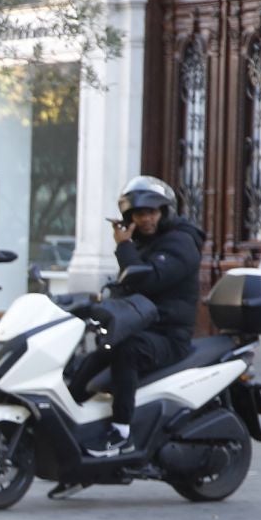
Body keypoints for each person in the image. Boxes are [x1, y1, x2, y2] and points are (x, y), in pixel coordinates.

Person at [72, 175, 203, 457]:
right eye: (138, 214)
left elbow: (147, 280)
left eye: (151, 212)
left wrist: (123, 246)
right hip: (145, 327)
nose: (145, 220)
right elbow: (128, 283)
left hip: (169, 335)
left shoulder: (181, 242)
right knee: (95, 356)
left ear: (164, 211)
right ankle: (69, 419)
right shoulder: (144, 242)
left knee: (126, 352)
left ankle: (121, 433)